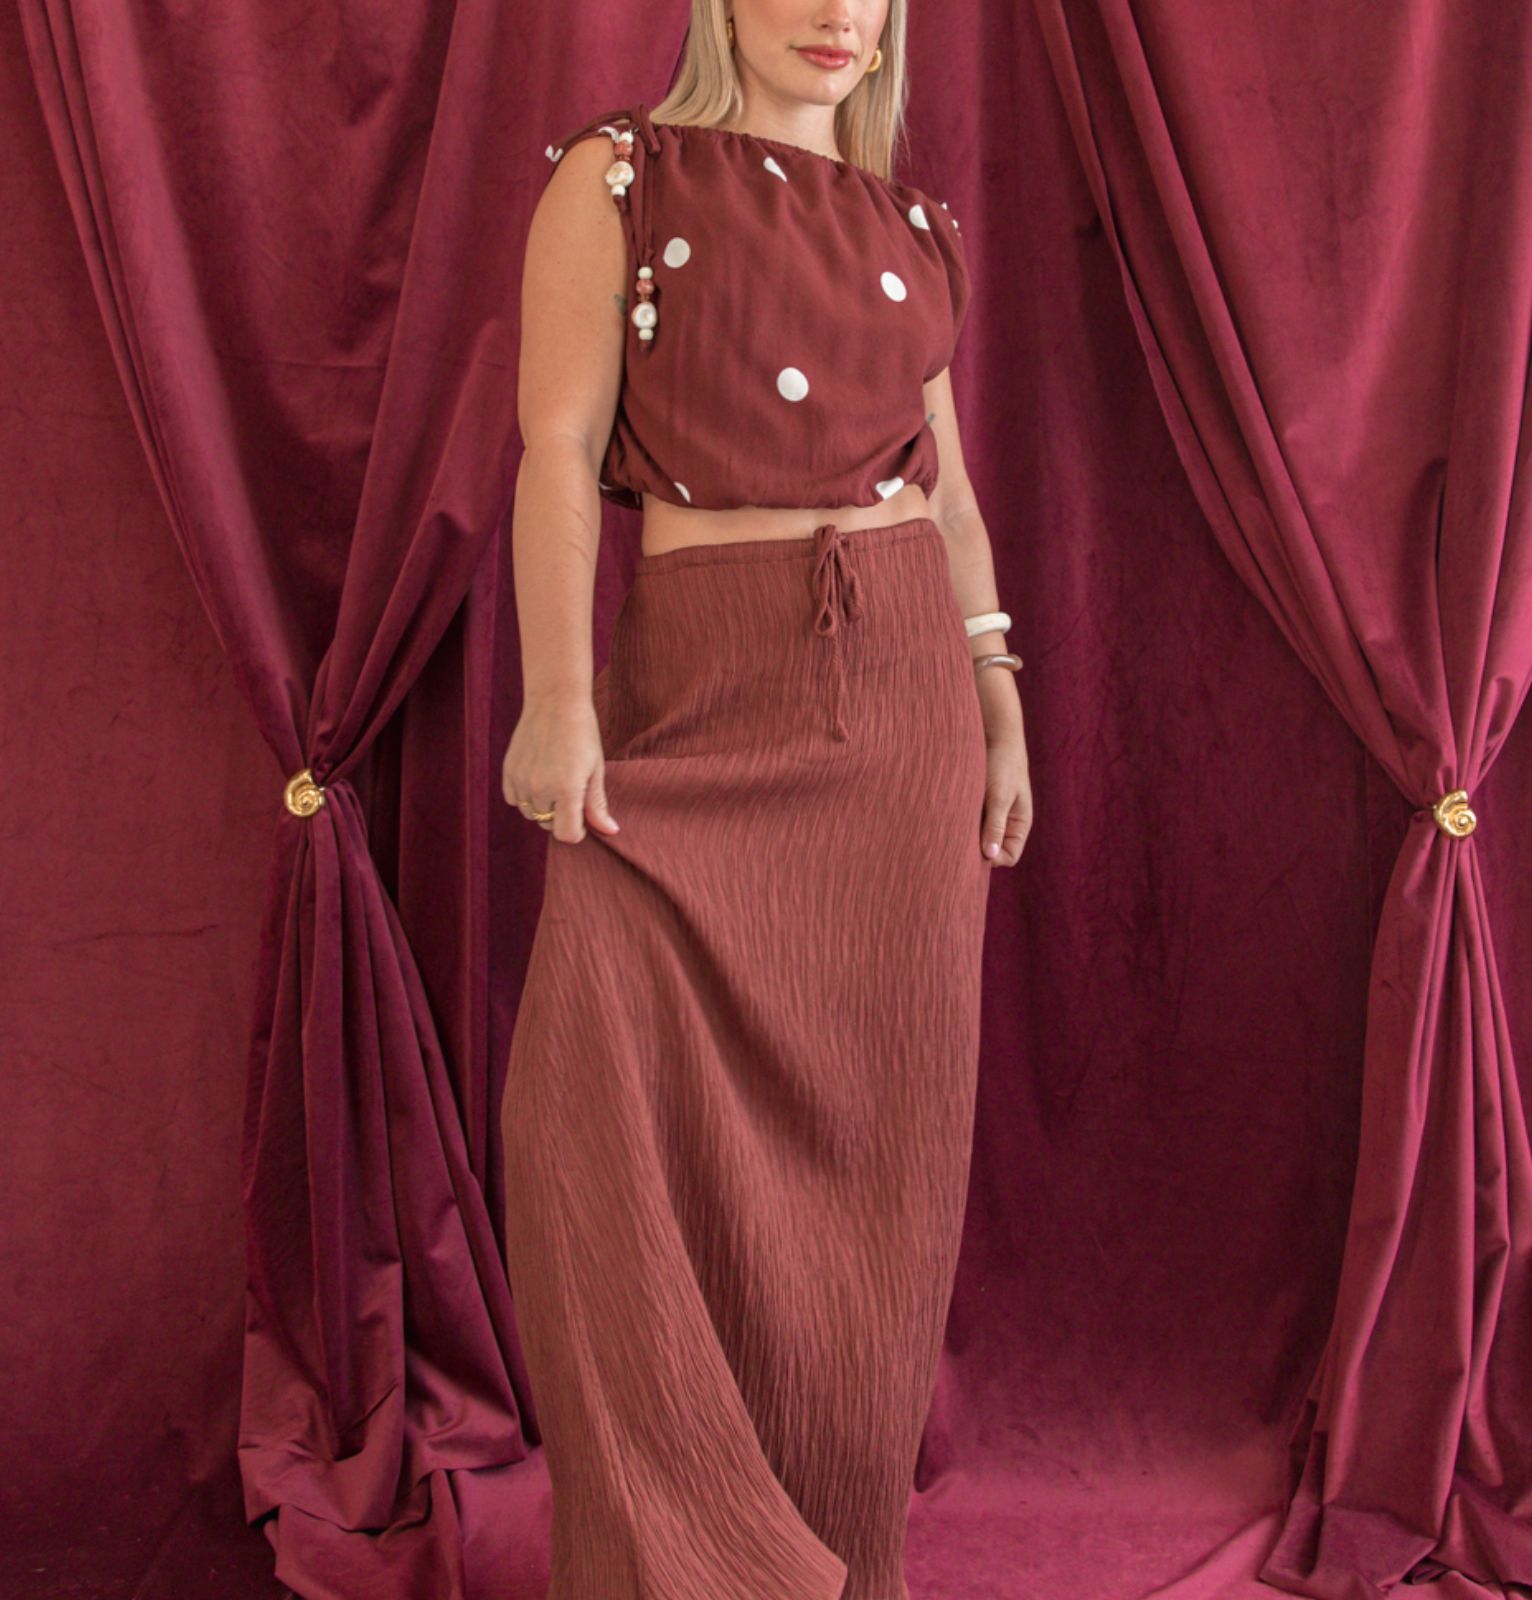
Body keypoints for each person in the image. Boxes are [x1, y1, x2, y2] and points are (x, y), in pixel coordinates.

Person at [498, 2, 1031, 1595]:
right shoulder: (617, 176)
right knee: (586, 1102)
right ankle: (702, 1563)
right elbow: (555, 446)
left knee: (876, 1166)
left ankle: (843, 1559)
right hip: (696, 693)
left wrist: (998, 695)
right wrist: (559, 701)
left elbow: (948, 496)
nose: (837, 13)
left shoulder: (914, 228)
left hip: (904, 709)